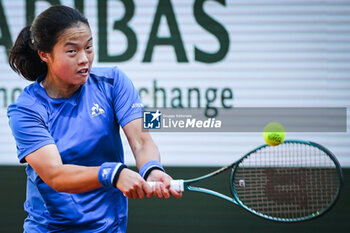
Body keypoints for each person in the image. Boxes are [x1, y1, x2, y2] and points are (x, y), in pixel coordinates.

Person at [7, 5, 181, 233]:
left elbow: (141, 141)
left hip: (110, 227)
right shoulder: (26, 110)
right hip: (50, 228)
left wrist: (151, 170)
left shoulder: (114, 82)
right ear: (44, 55)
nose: (84, 59)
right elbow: (55, 175)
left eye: (89, 47)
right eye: (72, 51)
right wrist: (113, 173)